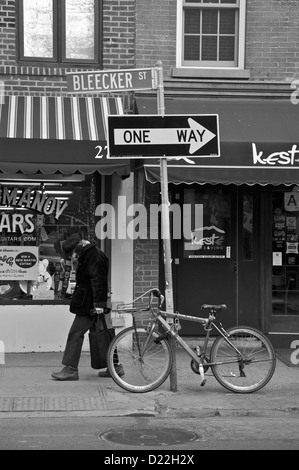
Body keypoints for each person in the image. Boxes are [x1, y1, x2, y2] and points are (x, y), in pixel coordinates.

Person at [51, 232, 123, 381]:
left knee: (76, 333)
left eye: (72, 254)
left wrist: (98, 305)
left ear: (77, 249)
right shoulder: (89, 254)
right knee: (102, 334)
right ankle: (115, 367)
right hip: (92, 302)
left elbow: (98, 281)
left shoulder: (93, 256)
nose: (72, 258)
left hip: (90, 303)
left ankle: (70, 369)